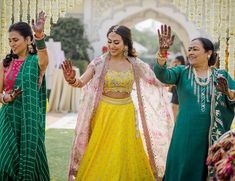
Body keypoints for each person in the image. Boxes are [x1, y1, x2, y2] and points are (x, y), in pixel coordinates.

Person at [62, 25, 174, 181]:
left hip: (126, 113)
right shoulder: (99, 63)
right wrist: (72, 79)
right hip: (104, 113)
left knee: (124, 151)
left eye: (116, 42)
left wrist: (162, 55)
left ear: (126, 44)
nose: (112, 46)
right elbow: (80, 83)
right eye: (109, 42)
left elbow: (157, 80)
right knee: (102, 150)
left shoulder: (135, 64)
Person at [154, 25, 235, 181]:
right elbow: (163, 75)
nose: (190, 52)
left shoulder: (221, 75)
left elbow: (233, 96)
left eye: (195, 49)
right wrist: (163, 52)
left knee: (207, 167)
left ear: (208, 53)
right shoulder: (182, 72)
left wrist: (229, 93)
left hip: (212, 134)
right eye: (189, 49)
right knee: (184, 164)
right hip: (185, 132)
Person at [0, 11, 50, 180]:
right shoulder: (6, 63)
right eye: (10, 41)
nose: (12, 44)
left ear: (28, 40)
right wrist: (5, 98)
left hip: (29, 120)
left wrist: (39, 35)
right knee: (5, 162)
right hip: (8, 119)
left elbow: (44, 60)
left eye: (16, 40)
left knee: (31, 163)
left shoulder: (36, 61)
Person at [169, 55, 185, 121]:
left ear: (182, 62)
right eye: (175, 61)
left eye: (177, 62)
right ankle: (175, 123)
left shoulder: (184, 70)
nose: (176, 63)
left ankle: (177, 123)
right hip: (175, 91)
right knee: (174, 107)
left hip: (180, 92)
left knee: (177, 108)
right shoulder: (174, 69)